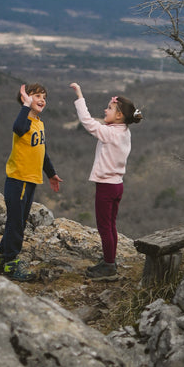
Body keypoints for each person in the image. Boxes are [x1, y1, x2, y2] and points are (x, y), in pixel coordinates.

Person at [69, 81, 142, 281]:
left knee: (104, 227)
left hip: (106, 187)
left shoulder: (110, 133)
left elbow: (87, 122)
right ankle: (110, 259)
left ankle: (109, 265)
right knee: (111, 225)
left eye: (109, 108)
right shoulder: (124, 132)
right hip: (117, 185)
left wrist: (80, 96)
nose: (105, 110)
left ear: (119, 115)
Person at [0, 82, 62, 282]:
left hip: (30, 180)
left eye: (44, 97)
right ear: (25, 99)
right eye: (36, 96)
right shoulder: (24, 123)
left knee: (18, 221)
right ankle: (11, 263)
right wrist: (25, 106)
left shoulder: (39, 123)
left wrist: (51, 173)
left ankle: (1, 257)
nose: (42, 100)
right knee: (16, 223)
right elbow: (18, 127)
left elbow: (42, 151)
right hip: (18, 180)